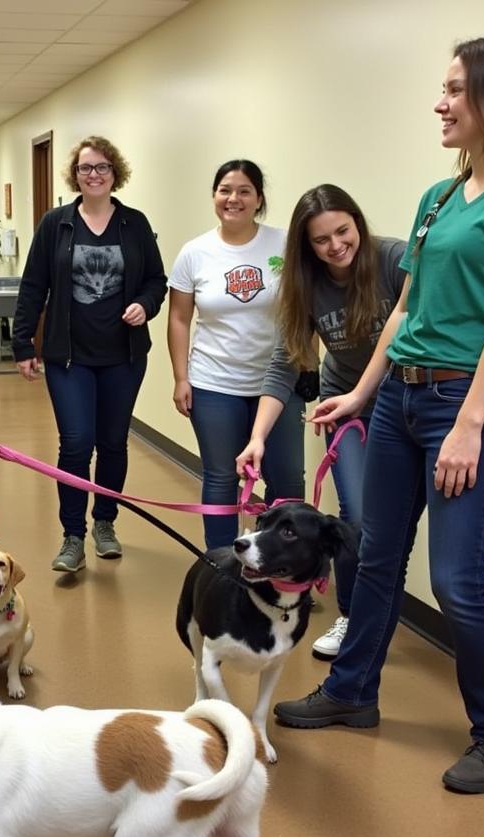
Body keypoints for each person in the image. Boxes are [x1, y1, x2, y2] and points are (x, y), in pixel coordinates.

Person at [273, 36, 484, 794]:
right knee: (374, 554)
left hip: (469, 405)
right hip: (403, 394)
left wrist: (470, 422)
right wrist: (363, 391)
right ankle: (352, 691)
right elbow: (403, 308)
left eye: (455, 90)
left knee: (457, 581)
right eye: (443, 88)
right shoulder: (439, 197)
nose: (440, 103)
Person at [236, 185, 407, 659]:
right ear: (305, 246)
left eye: (342, 231)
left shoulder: (393, 260)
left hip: (400, 400)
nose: (335, 246)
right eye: (320, 240)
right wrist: (257, 438)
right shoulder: (307, 285)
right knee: (356, 517)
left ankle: (379, 617)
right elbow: (284, 364)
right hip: (343, 405)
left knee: (393, 525)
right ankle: (352, 616)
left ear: (357, 223)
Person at [13, 135, 167, 573]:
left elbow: (157, 280)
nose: (94, 174)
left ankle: (105, 523)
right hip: (69, 357)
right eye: (85, 168)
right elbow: (33, 285)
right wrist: (24, 342)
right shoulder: (56, 224)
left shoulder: (134, 224)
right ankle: (72, 535)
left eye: (101, 167)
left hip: (124, 356)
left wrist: (146, 304)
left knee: (113, 443)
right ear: (74, 175)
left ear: (115, 174)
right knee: (77, 443)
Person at [167, 159, 304, 552]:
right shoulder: (195, 252)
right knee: (221, 478)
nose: (234, 198)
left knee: (287, 480)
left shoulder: (283, 244)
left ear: (259, 199)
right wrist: (181, 377)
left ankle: (284, 563)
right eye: (225, 190)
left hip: (278, 384)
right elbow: (179, 318)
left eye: (245, 190)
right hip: (214, 383)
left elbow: (305, 306)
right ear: (214, 196)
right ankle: (222, 563)